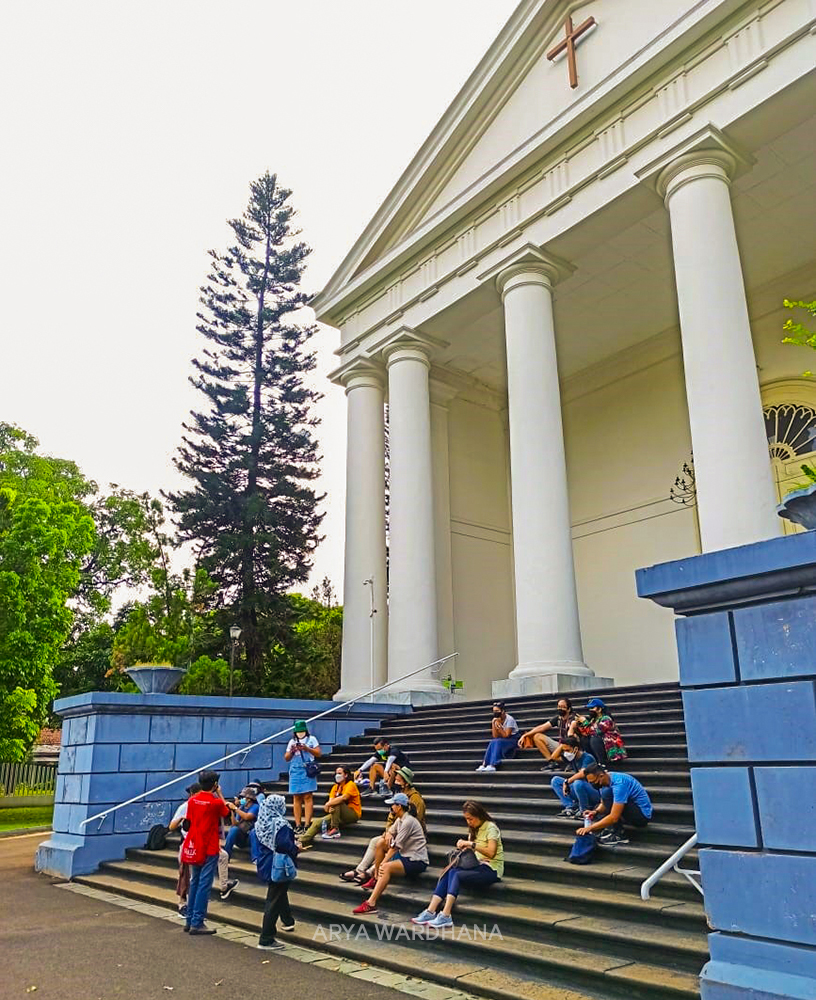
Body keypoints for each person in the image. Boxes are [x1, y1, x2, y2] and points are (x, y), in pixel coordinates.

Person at [411, 801, 503, 928]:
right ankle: (430, 910)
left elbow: (491, 852)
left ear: (479, 815)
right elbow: (473, 851)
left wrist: (471, 844)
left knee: (457, 874)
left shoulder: (491, 828)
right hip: (477, 865)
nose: (469, 822)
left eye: (471, 819)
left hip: (491, 869)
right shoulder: (474, 830)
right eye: (466, 819)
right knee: (449, 871)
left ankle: (446, 914)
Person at [340, 767, 427, 884]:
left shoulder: (415, 799)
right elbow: (391, 818)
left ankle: (370, 873)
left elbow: (414, 822)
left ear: (406, 783)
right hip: (396, 832)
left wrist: (393, 835)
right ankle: (359, 870)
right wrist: (388, 832)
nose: (395, 781)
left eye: (398, 780)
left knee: (387, 846)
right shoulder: (399, 795)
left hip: (409, 838)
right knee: (375, 841)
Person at [353, 792, 429, 914]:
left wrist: (383, 863)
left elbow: (395, 847)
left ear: (399, 806)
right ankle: (376, 877)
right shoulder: (400, 820)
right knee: (380, 843)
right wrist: (388, 834)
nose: (391, 808)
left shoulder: (408, 821)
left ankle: (371, 903)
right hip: (404, 855)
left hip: (416, 860)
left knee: (386, 867)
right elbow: (389, 832)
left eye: (393, 805)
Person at [170, 782, 238, 912]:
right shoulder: (187, 806)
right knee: (189, 876)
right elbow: (172, 826)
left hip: (205, 843)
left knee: (221, 858)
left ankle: (223, 887)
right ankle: (183, 904)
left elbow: (223, 813)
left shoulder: (208, 804)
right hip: (190, 843)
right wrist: (183, 818)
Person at [181, 769, 230, 935]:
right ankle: (197, 921)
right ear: (215, 784)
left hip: (194, 844)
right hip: (209, 845)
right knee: (204, 884)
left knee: (195, 881)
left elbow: (189, 820)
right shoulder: (215, 802)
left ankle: (189, 920)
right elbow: (226, 812)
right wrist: (220, 794)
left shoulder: (193, 800)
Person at [254, 794, 298, 950]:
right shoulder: (280, 824)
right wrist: (296, 848)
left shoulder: (261, 822)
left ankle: (288, 920)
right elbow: (284, 845)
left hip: (265, 862)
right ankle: (266, 938)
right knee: (274, 899)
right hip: (278, 865)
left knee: (279, 892)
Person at [574, 764, 653, 845]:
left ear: (601, 776)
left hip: (641, 816)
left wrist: (590, 828)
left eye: (594, 782)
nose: (593, 784)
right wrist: (595, 812)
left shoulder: (619, 784)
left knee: (608, 793)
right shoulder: (606, 781)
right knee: (602, 800)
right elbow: (604, 804)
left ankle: (619, 835)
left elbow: (614, 817)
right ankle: (611, 830)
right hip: (628, 812)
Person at [298, 765, 362, 850]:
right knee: (317, 822)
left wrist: (329, 804)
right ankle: (302, 842)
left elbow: (344, 798)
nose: (337, 775)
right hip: (337, 814)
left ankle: (335, 828)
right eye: (336, 773)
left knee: (337, 802)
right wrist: (329, 807)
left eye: (340, 773)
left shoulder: (351, 784)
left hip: (353, 814)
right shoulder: (335, 787)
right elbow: (328, 806)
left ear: (346, 775)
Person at [284, 720, 321, 836]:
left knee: (308, 796)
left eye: (302, 731)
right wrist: (292, 751)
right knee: (296, 797)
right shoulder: (292, 741)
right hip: (296, 770)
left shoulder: (312, 739)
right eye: (298, 732)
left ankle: (307, 823)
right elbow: (286, 758)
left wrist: (307, 749)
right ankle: (298, 824)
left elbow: (318, 753)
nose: (300, 734)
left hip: (307, 769)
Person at [518, 698, 578, 770]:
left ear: (569, 709)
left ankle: (571, 762)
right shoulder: (558, 719)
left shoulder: (574, 719)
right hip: (561, 745)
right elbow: (542, 727)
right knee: (537, 736)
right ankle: (552, 762)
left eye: (563, 707)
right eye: (559, 706)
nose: (560, 709)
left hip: (573, 747)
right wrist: (525, 735)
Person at [549, 737, 597, 818]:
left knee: (578, 782)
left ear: (576, 749)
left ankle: (584, 810)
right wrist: (562, 745)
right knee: (556, 780)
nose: (565, 753)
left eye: (567, 750)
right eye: (564, 751)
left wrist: (567, 781)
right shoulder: (572, 758)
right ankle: (570, 807)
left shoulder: (587, 757)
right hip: (579, 789)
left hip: (593, 790)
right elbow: (553, 757)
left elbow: (582, 773)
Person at [575, 699, 627, 765]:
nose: (590, 710)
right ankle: (593, 761)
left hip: (611, 748)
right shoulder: (593, 720)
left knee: (595, 739)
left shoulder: (606, 719)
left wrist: (585, 722)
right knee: (585, 739)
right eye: (589, 708)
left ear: (599, 709)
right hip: (600, 746)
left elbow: (596, 731)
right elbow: (587, 732)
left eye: (592, 708)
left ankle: (602, 763)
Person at [476, 702, 519, 772]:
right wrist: (493, 724)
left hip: (512, 739)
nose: (495, 713)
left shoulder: (510, 719)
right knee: (493, 741)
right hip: (503, 739)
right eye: (494, 711)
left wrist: (499, 726)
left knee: (498, 741)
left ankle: (493, 764)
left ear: (503, 711)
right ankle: (484, 764)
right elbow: (495, 736)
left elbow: (506, 735)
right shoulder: (496, 719)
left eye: (497, 711)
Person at [223, 786, 260, 857]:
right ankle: (227, 855)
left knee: (253, 832)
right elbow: (235, 823)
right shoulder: (241, 807)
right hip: (242, 837)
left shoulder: (255, 806)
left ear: (249, 799)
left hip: (251, 838)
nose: (241, 800)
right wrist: (232, 810)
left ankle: (255, 858)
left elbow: (247, 817)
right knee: (234, 829)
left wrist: (235, 808)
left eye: (243, 798)